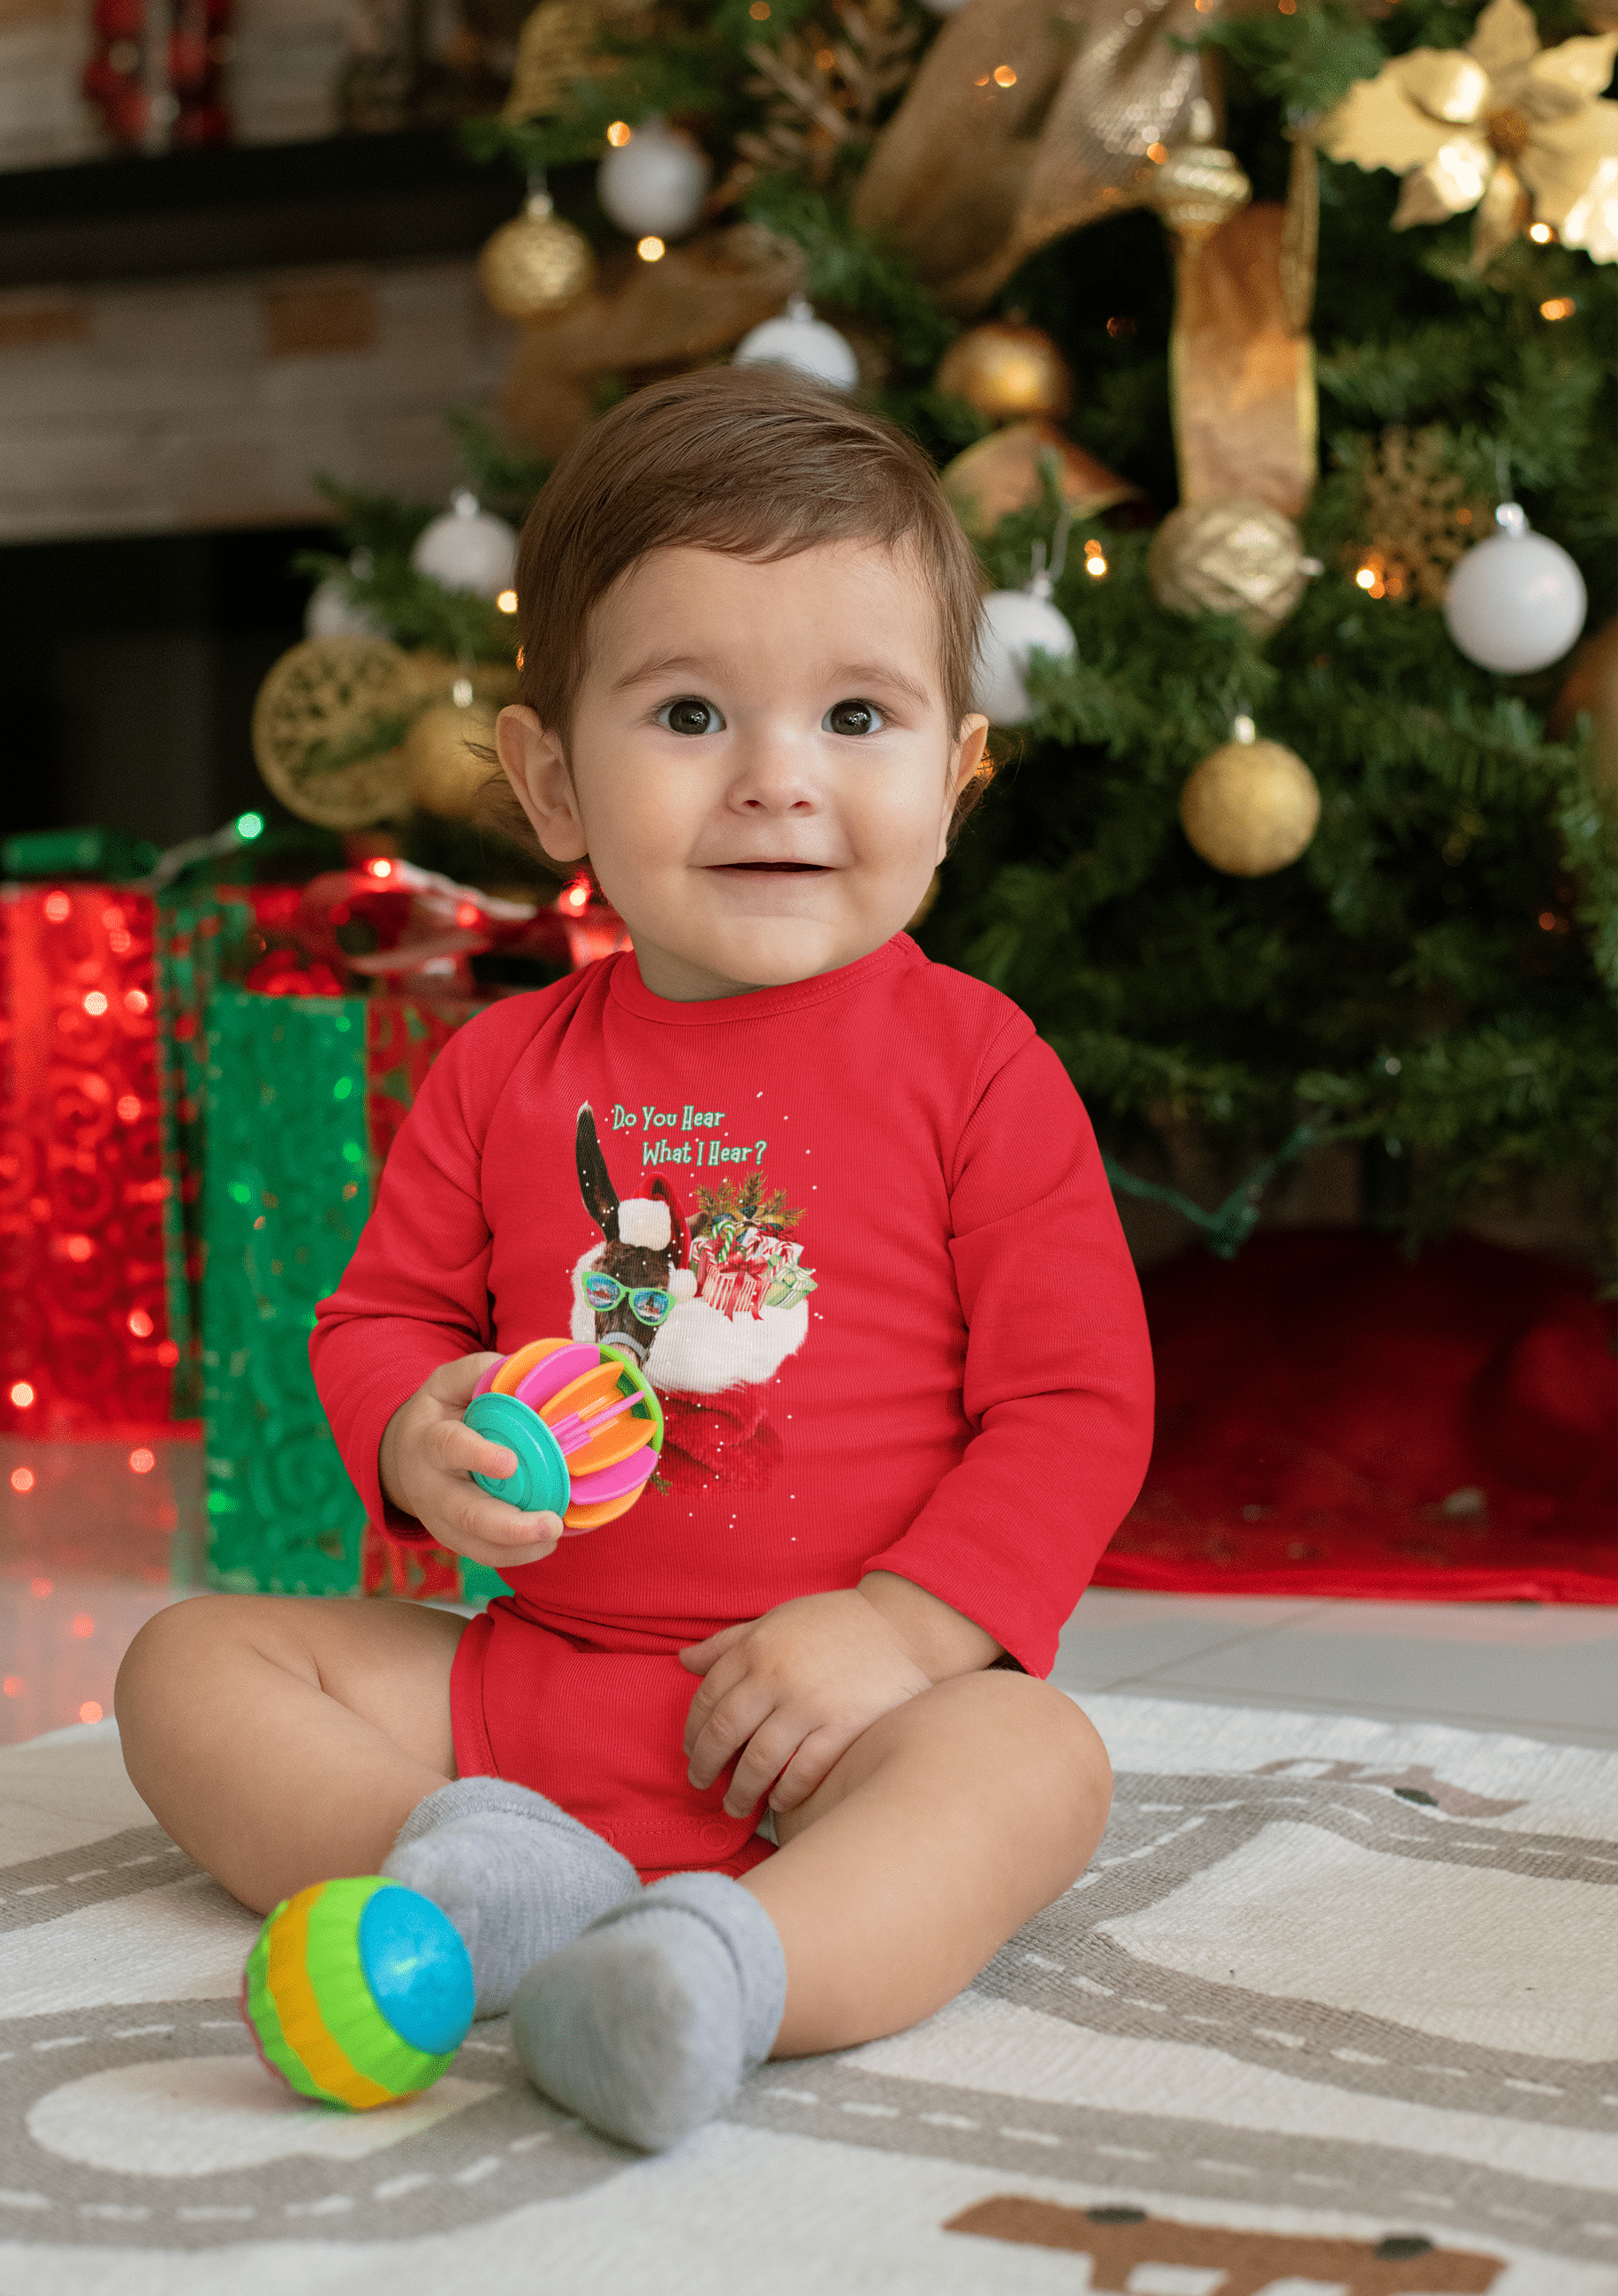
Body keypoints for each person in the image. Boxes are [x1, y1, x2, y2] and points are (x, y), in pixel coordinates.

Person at [116, 366, 1154, 2153]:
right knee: (184, 1669)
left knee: (1035, 1766)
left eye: (854, 715)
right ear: (548, 783)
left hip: (843, 1729)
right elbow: (387, 1316)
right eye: (687, 713)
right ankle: (482, 1893)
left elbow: (1076, 1404)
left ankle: (723, 1967)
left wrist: (899, 1636)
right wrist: (413, 1431)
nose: (774, 781)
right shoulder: (504, 1068)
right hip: (531, 1688)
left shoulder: (978, 1063)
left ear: (957, 775)